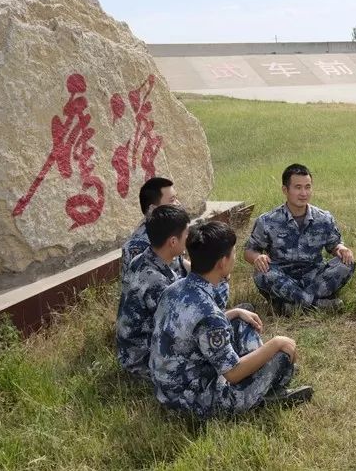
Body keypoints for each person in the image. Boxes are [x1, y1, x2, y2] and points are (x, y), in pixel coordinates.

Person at [149, 221, 312, 417]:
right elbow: (232, 374)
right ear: (222, 262)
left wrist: (234, 312)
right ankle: (266, 391)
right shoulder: (209, 314)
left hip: (169, 388)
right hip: (192, 400)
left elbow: (193, 328)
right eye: (233, 253)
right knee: (281, 355)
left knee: (243, 318)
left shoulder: (175, 288)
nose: (235, 258)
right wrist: (275, 343)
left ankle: (264, 375)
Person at [244, 164, 355, 314]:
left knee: (347, 263)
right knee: (261, 273)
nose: (304, 193)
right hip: (282, 278)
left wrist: (342, 249)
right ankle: (316, 305)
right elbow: (250, 250)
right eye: (298, 187)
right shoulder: (267, 220)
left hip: (315, 278)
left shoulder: (323, 218)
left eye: (308, 187)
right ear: (285, 190)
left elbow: (334, 245)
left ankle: (290, 306)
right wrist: (258, 257)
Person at [121, 176, 229, 309]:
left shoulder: (168, 231)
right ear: (153, 209)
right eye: (172, 200)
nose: (178, 204)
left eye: (176, 198)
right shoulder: (137, 246)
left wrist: (210, 271)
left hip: (173, 298)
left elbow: (180, 264)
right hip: (158, 315)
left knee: (218, 278)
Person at [115, 205, 189, 377]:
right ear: (173, 242)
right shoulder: (157, 282)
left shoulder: (143, 258)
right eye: (186, 233)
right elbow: (186, 326)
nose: (188, 237)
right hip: (143, 360)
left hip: (131, 351)